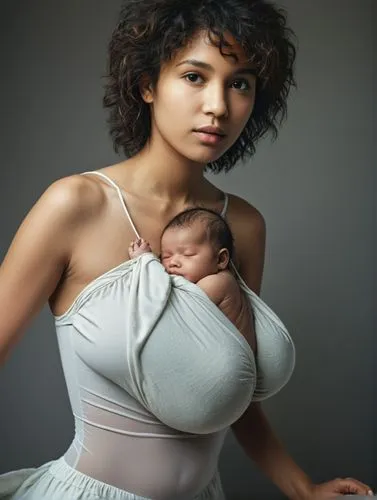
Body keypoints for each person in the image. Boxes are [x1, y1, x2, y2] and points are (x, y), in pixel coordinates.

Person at [0, 0, 373, 498]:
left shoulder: (240, 225)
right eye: (195, 77)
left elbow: (232, 383)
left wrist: (301, 488)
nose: (218, 105)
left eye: (239, 82)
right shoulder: (76, 205)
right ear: (147, 84)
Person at [129, 207, 258, 352]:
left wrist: (146, 262)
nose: (173, 262)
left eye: (188, 254)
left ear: (221, 259)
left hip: (231, 364)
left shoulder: (219, 283)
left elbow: (173, 310)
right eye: (166, 256)